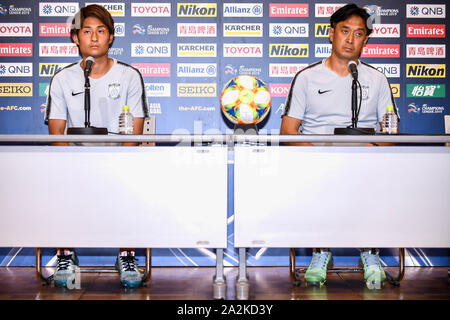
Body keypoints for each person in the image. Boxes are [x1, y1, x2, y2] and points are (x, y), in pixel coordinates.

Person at [280, 3, 398, 290]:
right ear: (331, 34)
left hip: (365, 165)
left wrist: (369, 148)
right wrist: (321, 157)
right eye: (345, 31)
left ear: (365, 41)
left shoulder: (377, 79)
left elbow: (390, 132)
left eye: (358, 34)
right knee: (318, 180)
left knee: (383, 175)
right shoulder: (307, 77)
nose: (350, 39)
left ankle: (370, 252)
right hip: (317, 163)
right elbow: (288, 131)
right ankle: (321, 251)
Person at [45, 4, 149, 288]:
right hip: (74, 163)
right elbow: (56, 132)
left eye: (100, 31)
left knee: (132, 181)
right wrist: (74, 167)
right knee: (56, 181)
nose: (93, 37)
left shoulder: (130, 75)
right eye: (86, 31)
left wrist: (118, 167)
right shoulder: (62, 78)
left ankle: (126, 255)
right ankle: (65, 255)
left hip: (119, 161)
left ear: (111, 37)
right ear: (75, 38)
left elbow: (135, 132)